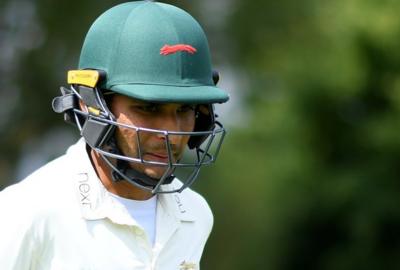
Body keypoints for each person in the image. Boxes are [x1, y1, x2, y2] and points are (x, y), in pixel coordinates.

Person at [0, 1, 229, 269]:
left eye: (185, 109)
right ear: (91, 104)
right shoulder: (28, 212)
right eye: (148, 108)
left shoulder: (195, 214)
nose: (171, 134)